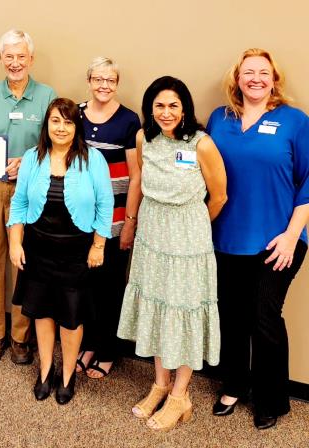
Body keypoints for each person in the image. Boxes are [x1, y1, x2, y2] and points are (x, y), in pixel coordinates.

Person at [117, 76, 228, 431]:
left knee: (183, 311)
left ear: (185, 109)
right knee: (158, 307)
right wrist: (131, 223)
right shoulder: (144, 138)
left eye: (173, 106)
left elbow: (219, 196)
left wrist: (192, 228)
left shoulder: (201, 144)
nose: (166, 113)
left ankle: (180, 396)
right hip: (152, 236)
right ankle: (160, 385)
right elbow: (139, 182)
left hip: (188, 243)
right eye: (160, 106)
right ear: (150, 109)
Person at [207, 48, 309, 430]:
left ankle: (271, 399)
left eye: (263, 72)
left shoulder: (294, 121)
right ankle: (234, 384)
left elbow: (308, 180)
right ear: (237, 79)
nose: (255, 78)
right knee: (232, 315)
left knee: (264, 317)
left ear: (274, 79)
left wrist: (292, 235)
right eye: (248, 72)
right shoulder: (220, 119)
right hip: (227, 238)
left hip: (278, 240)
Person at [8, 98, 113, 404]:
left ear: (76, 127)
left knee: (70, 317)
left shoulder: (93, 159)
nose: (62, 128)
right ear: (47, 124)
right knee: (41, 313)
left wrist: (98, 246)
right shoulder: (33, 157)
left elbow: (105, 205)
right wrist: (15, 242)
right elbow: (19, 203)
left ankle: (67, 374)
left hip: (76, 251)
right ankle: (45, 370)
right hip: (38, 248)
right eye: (56, 121)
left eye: (68, 122)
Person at [0, 29, 56, 364]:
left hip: (28, 191)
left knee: (24, 264)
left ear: (31, 59)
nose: (15, 62)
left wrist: (27, 160)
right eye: (9, 56)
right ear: (1, 59)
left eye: (21, 56)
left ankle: (21, 337)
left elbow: (55, 145)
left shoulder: (47, 95)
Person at [76, 57, 141, 379]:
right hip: (80, 219)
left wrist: (130, 222)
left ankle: (107, 350)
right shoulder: (75, 114)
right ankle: (88, 344)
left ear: (117, 84)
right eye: (98, 79)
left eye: (110, 80)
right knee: (84, 286)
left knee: (111, 287)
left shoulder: (129, 120)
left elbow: (136, 175)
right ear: (89, 80)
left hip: (114, 219)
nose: (104, 85)